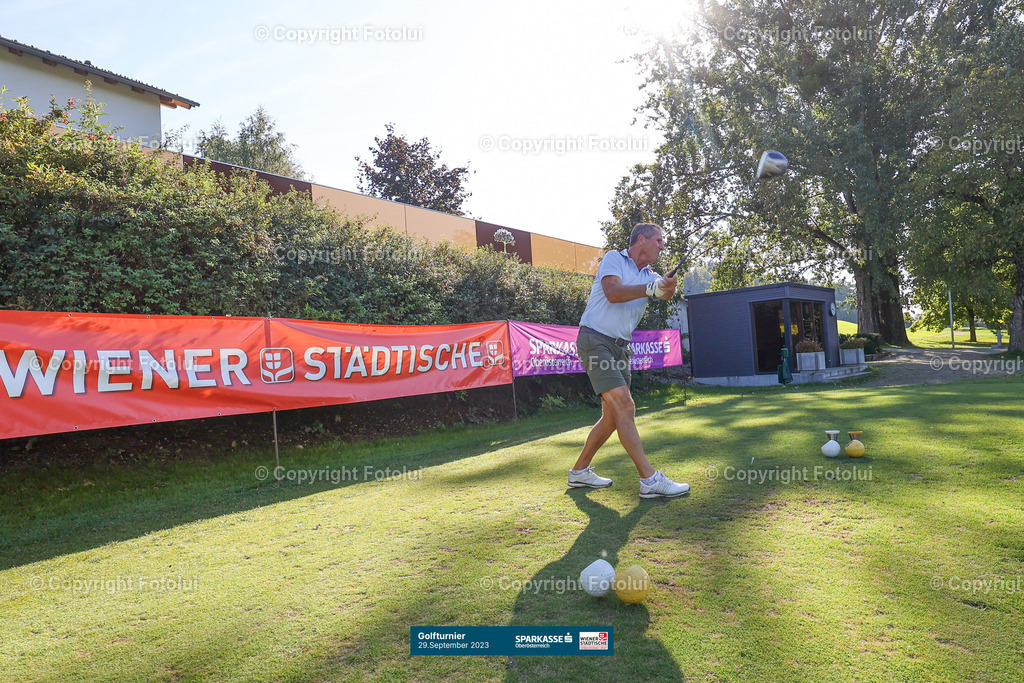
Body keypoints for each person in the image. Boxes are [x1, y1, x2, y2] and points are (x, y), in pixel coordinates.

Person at [567, 223, 690, 498]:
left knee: (612, 417)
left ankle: (579, 472)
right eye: (659, 240)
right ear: (642, 240)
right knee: (625, 405)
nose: (662, 245)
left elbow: (664, 293)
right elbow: (613, 292)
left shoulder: (651, 275)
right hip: (595, 340)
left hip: (621, 348)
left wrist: (667, 287)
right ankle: (649, 479)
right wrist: (650, 288)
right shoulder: (614, 258)